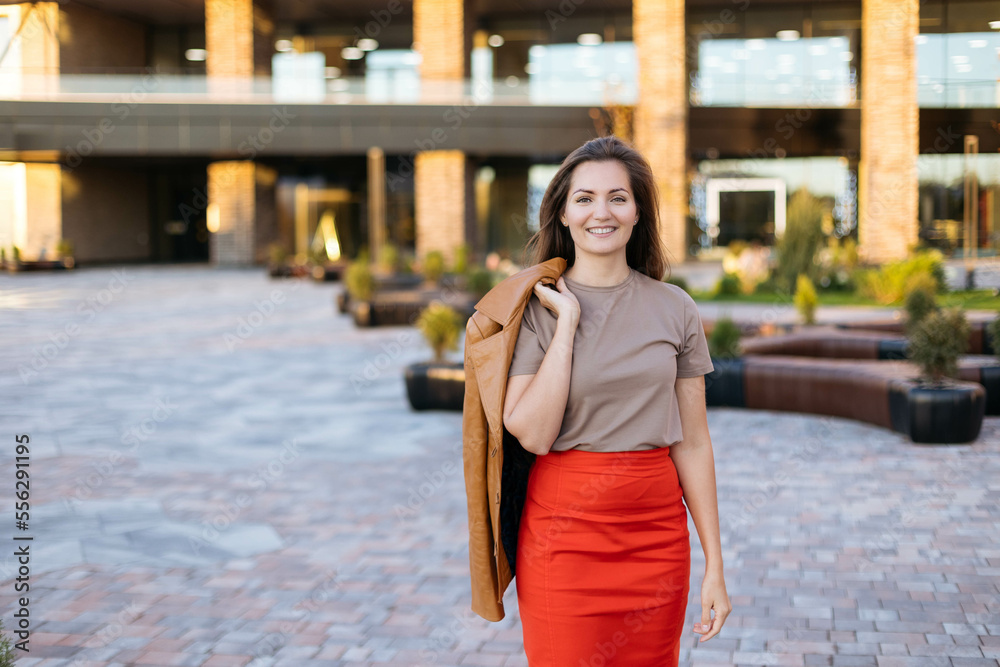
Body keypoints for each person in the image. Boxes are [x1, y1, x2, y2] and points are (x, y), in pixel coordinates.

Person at [502, 136, 731, 665]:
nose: (600, 212)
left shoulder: (675, 309)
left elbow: (694, 443)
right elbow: (533, 433)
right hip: (565, 537)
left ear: (637, 214)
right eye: (584, 198)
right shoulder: (532, 309)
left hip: (655, 539)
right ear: (563, 212)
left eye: (617, 198)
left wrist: (714, 563)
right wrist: (568, 327)